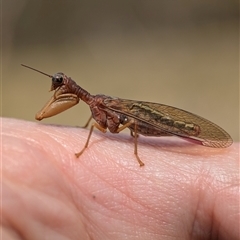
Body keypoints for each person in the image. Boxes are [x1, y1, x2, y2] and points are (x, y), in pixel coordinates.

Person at [2, 118, 239, 240]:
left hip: (142, 121)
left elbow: (124, 124)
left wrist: (136, 155)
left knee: (133, 122)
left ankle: (186, 130)